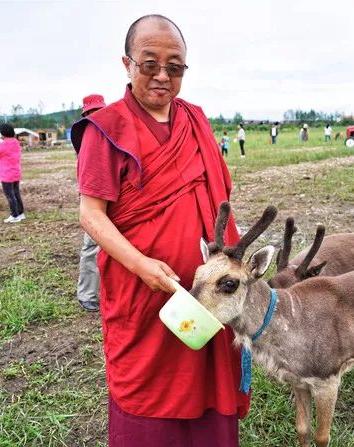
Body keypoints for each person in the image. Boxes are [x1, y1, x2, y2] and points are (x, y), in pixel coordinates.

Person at [71, 14, 249, 446]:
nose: (162, 76)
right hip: (143, 290)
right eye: (149, 64)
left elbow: (219, 195)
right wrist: (141, 265)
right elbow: (91, 215)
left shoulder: (196, 120)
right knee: (150, 386)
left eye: (175, 66)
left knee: (209, 372)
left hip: (208, 292)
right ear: (127, 64)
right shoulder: (107, 129)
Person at [76, 94, 107, 312]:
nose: (96, 117)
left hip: (117, 200)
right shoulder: (86, 138)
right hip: (96, 202)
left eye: (100, 112)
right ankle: (87, 293)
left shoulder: (113, 132)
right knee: (92, 247)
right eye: (92, 113)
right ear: (85, 116)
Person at [0, 123, 25, 223]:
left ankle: (14, 215)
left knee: (10, 195)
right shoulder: (15, 142)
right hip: (16, 172)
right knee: (16, 194)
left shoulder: (4, 144)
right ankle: (20, 213)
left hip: (6, 174)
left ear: (3, 133)